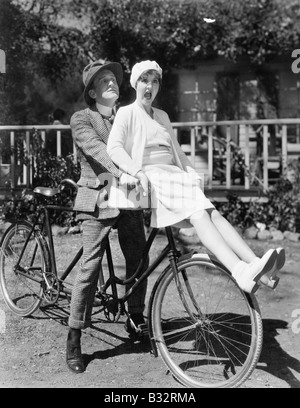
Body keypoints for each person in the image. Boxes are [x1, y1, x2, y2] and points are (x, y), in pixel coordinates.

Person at [107, 60, 286, 296]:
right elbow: (114, 148)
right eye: (144, 80)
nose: (149, 86)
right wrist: (137, 172)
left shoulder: (161, 116)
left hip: (175, 176)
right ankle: (238, 270)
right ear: (135, 84)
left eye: (154, 81)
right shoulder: (126, 113)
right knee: (200, 215)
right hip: (152, 177)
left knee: (214, 213)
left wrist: (191, 173)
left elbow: (178, 152)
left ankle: (255, 265)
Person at [66, 60, 148, 374]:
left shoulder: (128, 115)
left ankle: (136, 317)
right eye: (103, 80)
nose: (111, 83)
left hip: (128, 198)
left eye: (113, 78)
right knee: (90, 266)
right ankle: (74, 336)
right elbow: (99, 150)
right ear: (91, 90)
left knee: (139, 257)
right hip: (98, 198)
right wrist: (124, 173)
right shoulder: (81, 118)